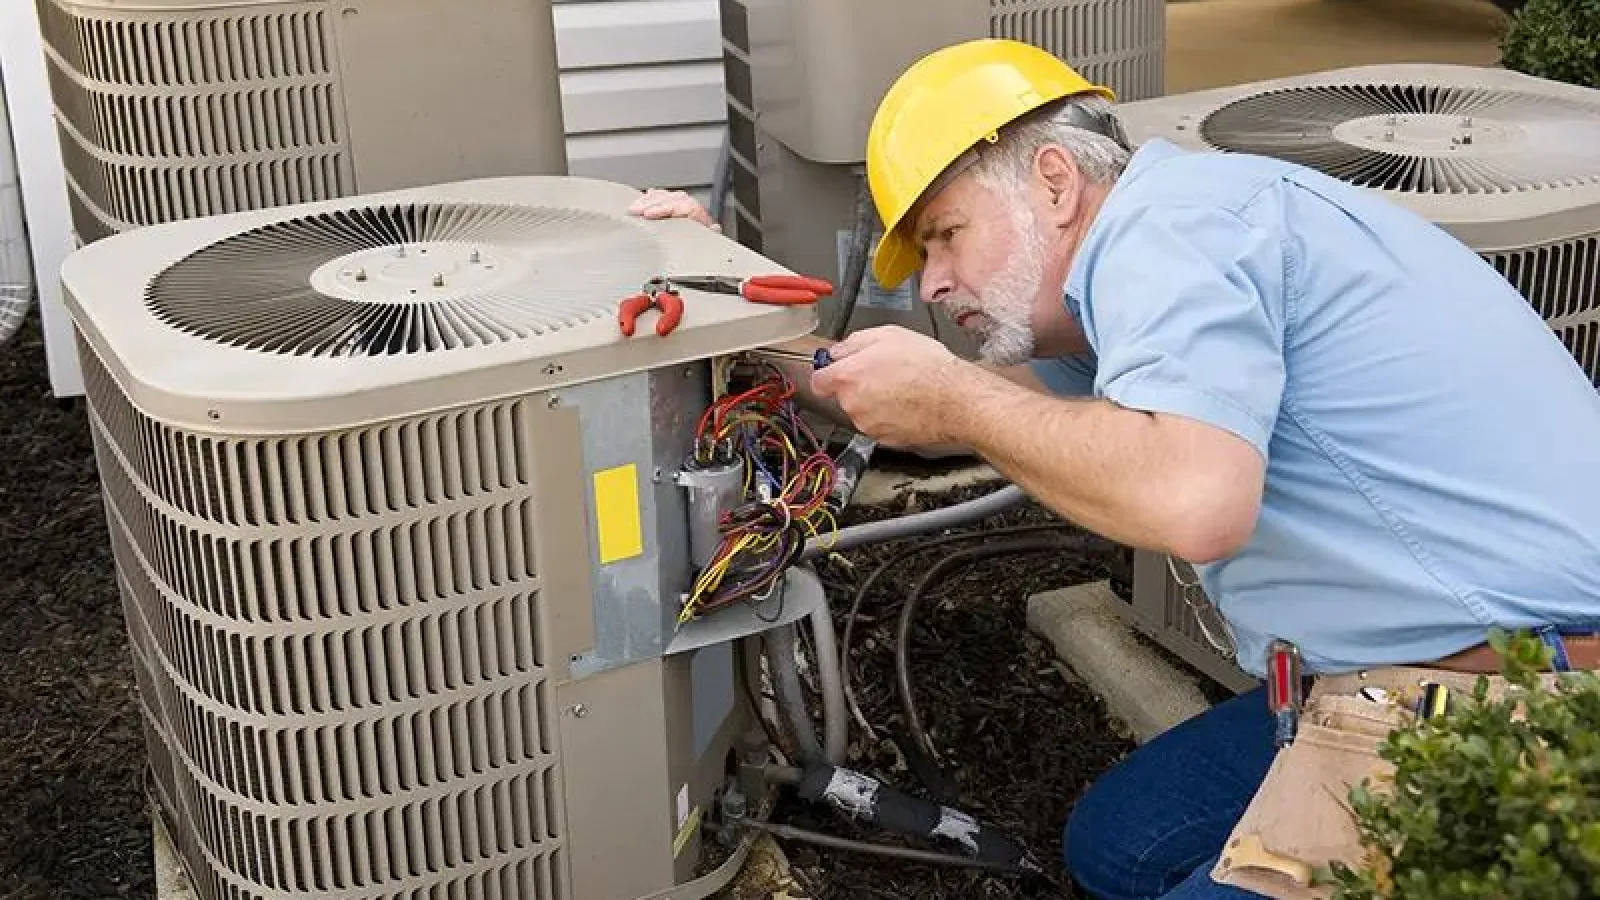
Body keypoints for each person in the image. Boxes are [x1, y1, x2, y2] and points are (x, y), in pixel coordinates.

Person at [630, 38, 1600, 899]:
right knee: (1116, 846)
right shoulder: (1118, 275)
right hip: (1397, 664)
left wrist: (961, 397)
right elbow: (947, 416)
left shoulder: (1169, 231)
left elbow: (1191, 502)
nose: (927, 283)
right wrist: (732, 316)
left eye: (944, 234)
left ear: (1053, 180)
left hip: (1516, 687)